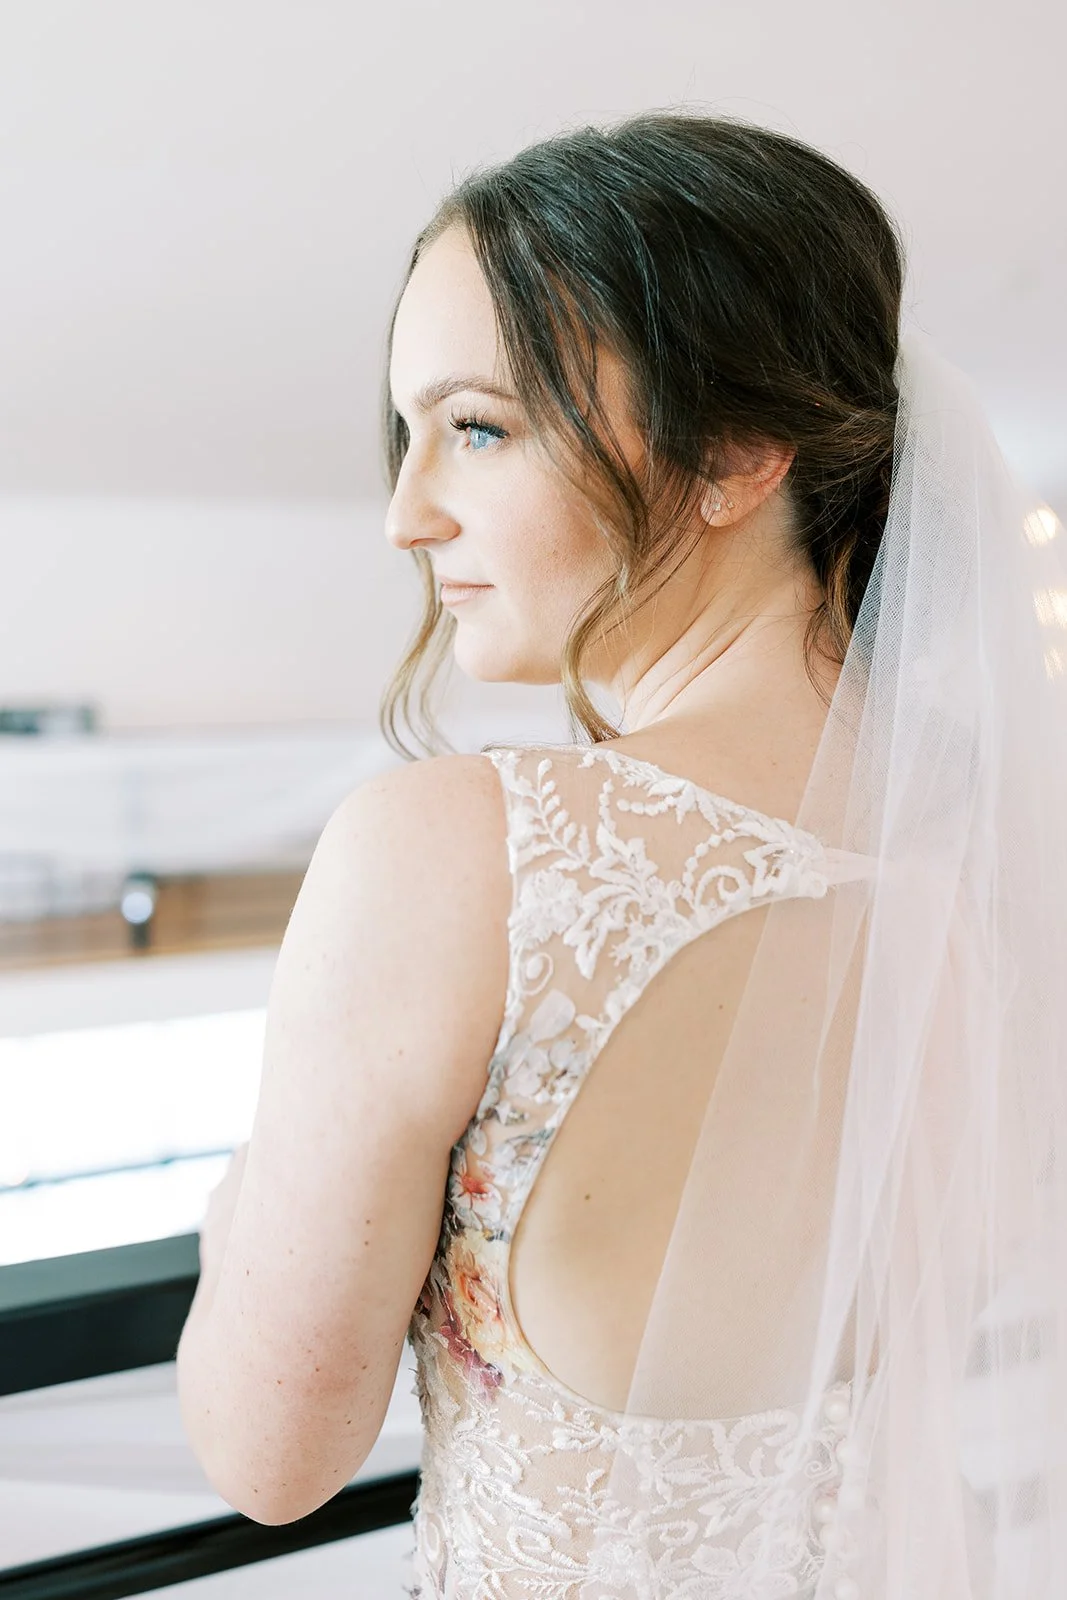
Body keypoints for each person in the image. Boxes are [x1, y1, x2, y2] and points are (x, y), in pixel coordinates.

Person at [178, 110, 1067, 1598]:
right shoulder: (975, 844)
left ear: (732, 452)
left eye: (478, 427)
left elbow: (267, 1460)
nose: (406, 514)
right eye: (408, 435)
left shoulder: (460, 853)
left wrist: (240, 1206)